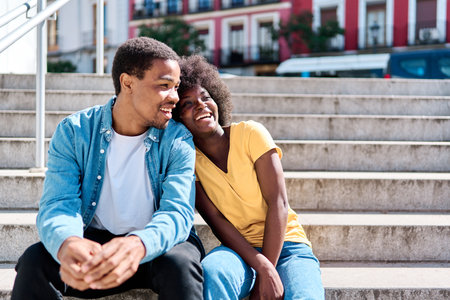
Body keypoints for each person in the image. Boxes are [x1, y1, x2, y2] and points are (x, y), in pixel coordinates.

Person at [11, 37, 204, 300]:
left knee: (181, 264)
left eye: (176, 87)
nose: (175, 97)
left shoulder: (177, 139)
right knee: (34, 261)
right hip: (95, 246)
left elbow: (178, 212)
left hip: (154, 244)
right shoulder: (74, 131)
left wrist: (139, 243)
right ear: (128, 83)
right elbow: (58, 203)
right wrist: (69, 242)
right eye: (164, 86)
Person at [174, 55, 324, 300]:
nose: (200, 105)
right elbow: (216, 220)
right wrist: (262, 268)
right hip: (239, 252)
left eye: (205, 97)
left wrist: (269, 270)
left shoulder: (251, 133)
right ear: (179, 118)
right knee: (212, 272)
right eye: (187, 103)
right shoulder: (189, 160)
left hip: (288, 246)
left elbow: (279, 203)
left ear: (217, 101)